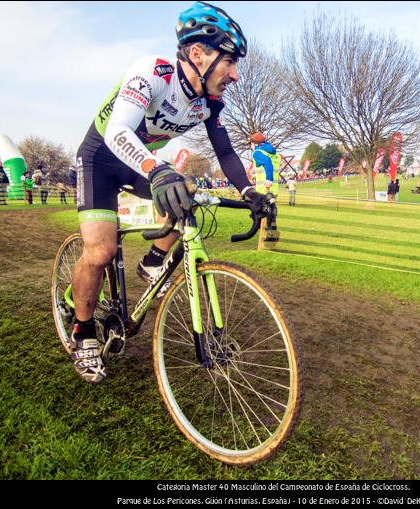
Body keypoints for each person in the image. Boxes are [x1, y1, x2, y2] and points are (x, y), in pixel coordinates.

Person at [68, 1, 260, 384]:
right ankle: (83, 330)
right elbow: (118, 132)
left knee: (187, 196)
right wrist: (158, 169)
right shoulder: (153, 72)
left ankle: (154, 260)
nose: (235, 75)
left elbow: (224, 151)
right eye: (230, 61)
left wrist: (251, 191)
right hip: (100, 160)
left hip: (139, 163)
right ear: (197, 53)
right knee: (101, 251)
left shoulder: (209, 102)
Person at [250, 132, 279, 197]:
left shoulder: (257, 153)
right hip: (274, 189)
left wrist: (269, 179)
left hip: (264, 189)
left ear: (256, 144)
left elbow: (267, 162)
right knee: (271, 207)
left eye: (251, 144)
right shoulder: (273, 153)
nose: (251, 146)